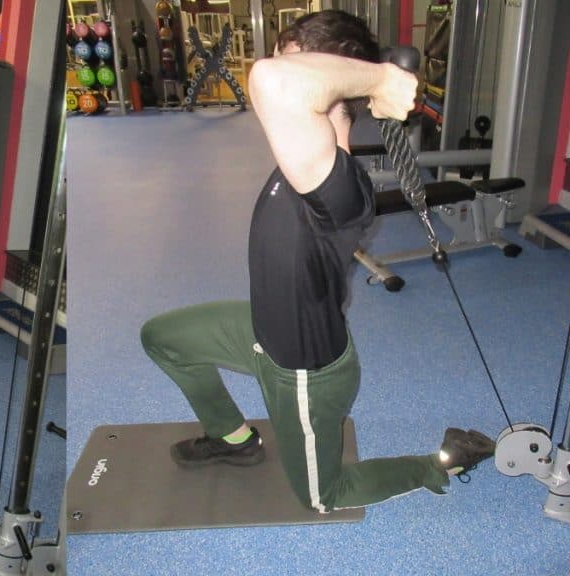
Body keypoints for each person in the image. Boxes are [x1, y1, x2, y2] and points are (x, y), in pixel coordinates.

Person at [140, 10, 495, 513]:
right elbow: (279, 83)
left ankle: (440, 464)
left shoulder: (338, 188)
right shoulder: (304, 157)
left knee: (322, 497)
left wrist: (379, 78)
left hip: (303, 371)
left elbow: (273, 82)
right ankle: (233, 439)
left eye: (294, 58)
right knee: (162, 339)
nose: (270, 65)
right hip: (261, 333)